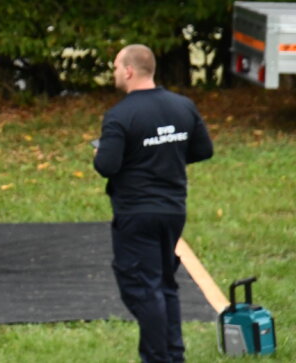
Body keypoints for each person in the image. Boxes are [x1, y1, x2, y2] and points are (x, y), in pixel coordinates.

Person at [94, 44, 214, 363]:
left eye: (117, 66)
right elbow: (203, 150)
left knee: (141, 289)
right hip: (174, 210)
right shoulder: (182, 106)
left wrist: (102, 153)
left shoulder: (120, 115)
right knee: (164, 283)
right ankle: (174, 353)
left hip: (136, 213)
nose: (115, 71)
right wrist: (166, 155)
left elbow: (106, 165)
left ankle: (156, 357)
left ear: (130, 71)